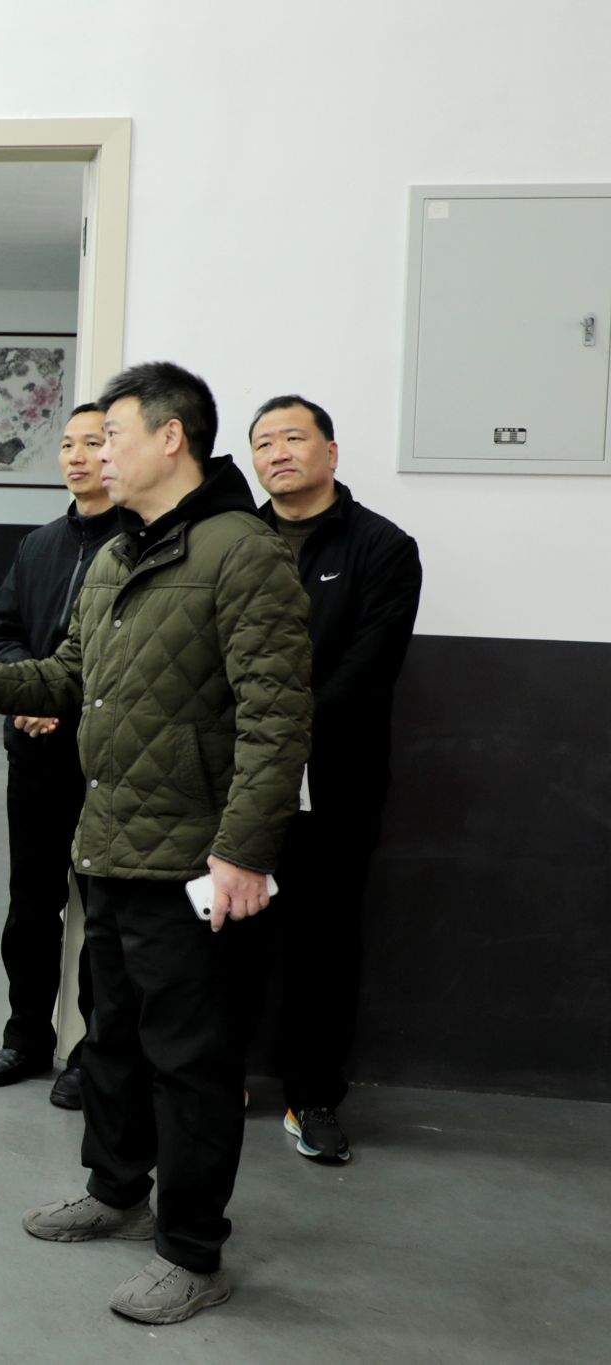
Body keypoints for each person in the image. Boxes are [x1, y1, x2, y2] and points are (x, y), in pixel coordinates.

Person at [0, 362, 311, 1324]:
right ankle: (116, 1190)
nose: (95, 453)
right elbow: (69, 676)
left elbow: (278, 721)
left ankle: (192, 1252)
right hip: (109, 840)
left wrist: (243, 852)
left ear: (171, 437)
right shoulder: (118, 554)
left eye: (111, 434)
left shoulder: (244, 553)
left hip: (193, 858)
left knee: (191, 1061)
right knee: (109, 1035)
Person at [248, 394, 422, 1165]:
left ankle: (311, 1096)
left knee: (323, 942)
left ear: (331, 452)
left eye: (294, 437)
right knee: (220, 931)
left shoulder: (382, 546)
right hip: (232, 776)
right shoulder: (233, 537)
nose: (278, 452)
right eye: (263, 442)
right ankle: (215, 1078)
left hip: (333, 779)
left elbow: (369, 667)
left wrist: (280, 732)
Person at [0, 402, 125, 1108]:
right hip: (34, 753)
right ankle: (26, 1035)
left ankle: (93, 1054)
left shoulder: (139, 543)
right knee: (30, 906)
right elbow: (0, 632)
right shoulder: (38, 545)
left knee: (105, 914)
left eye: (93, 443)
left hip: (105, 759)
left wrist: (59, 698)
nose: (76, 457)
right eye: (67, 444)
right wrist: (27, 692)